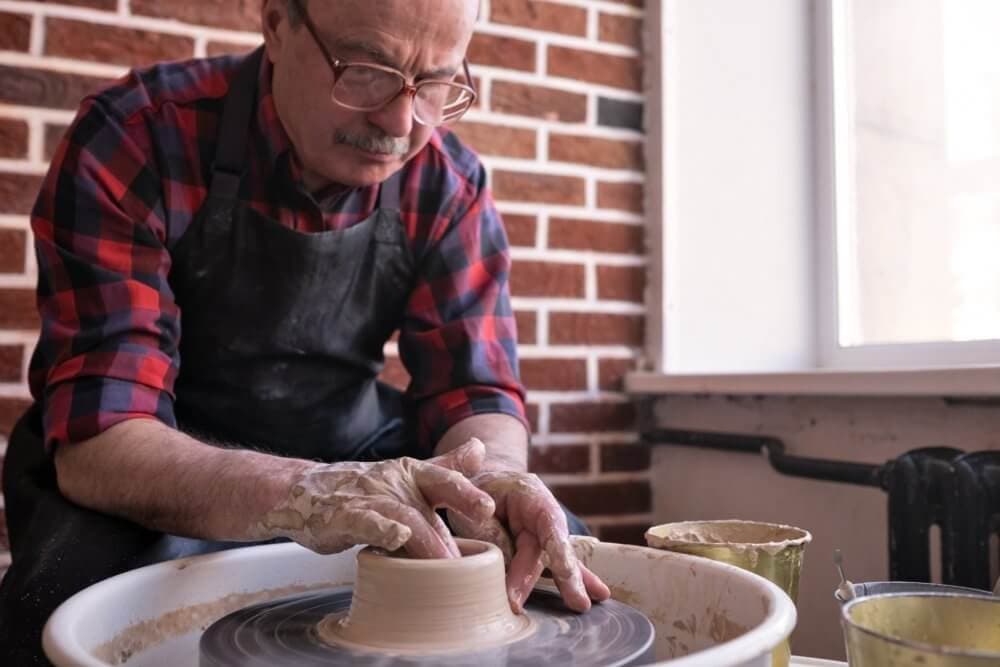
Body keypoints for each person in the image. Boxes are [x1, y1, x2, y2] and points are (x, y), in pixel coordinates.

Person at [0, 0, 610, 662]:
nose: (401, 122)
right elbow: (102, 436)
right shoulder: (139, 135)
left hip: (346, 434)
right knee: (68, 603)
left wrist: (490, 476)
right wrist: (299, 493)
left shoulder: (447, 181)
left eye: (435, 83)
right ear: (276, 22)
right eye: (367, 70)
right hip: (159, 447)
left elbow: (476, 392)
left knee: (545, 548)